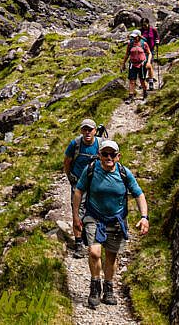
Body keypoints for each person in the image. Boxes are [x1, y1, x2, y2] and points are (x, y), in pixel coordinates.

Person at [72, 139, 149, 309]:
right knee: (94, 252)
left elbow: (139, 194)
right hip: (94, 217)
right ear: (99, 155)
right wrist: (76, 216)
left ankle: (108, 287)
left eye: (112, 154)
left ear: (118, 156)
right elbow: (78, 191)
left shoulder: (124, 173)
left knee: (111, 256)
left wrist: (144, 217)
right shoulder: (91, 170)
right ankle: (95, 286)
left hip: (116, 220)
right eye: (105, 154)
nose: (108, 157)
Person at [63, 118, 101, 258]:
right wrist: (70, 177)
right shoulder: (75, 144)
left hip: (96, 183)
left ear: (95, 131)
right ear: (81, 131)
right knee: (77, 211)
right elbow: (67, 161)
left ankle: (93, 237)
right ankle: (79, 244)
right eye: (84, 129)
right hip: (79, 183)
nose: (87, 132)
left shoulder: (100, 144)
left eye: (90, 129)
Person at [122, 29, 152, 100]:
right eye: (133, 37)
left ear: (139, 36)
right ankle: (130, 96)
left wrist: (148, 62)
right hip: (132, 64)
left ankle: (145, 92)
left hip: (142, 64)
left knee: (142, 80)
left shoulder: (143, 44)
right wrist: (123, 64)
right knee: (132, 80)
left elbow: (149, 53)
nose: (134, 38)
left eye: (135, 37)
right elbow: (127, 54)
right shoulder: (130, 44)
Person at [138, 18, 160, 89]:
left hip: (151, 50)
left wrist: (157, 41)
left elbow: (157, 37)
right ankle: (143, 82)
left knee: (149, 65)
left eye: (145, 25)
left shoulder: (153, 30)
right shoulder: (140, 31)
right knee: (143, 66)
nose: (144, 26)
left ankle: (151, 82)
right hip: (142, 51)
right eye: (142, 25)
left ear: (148, 23)